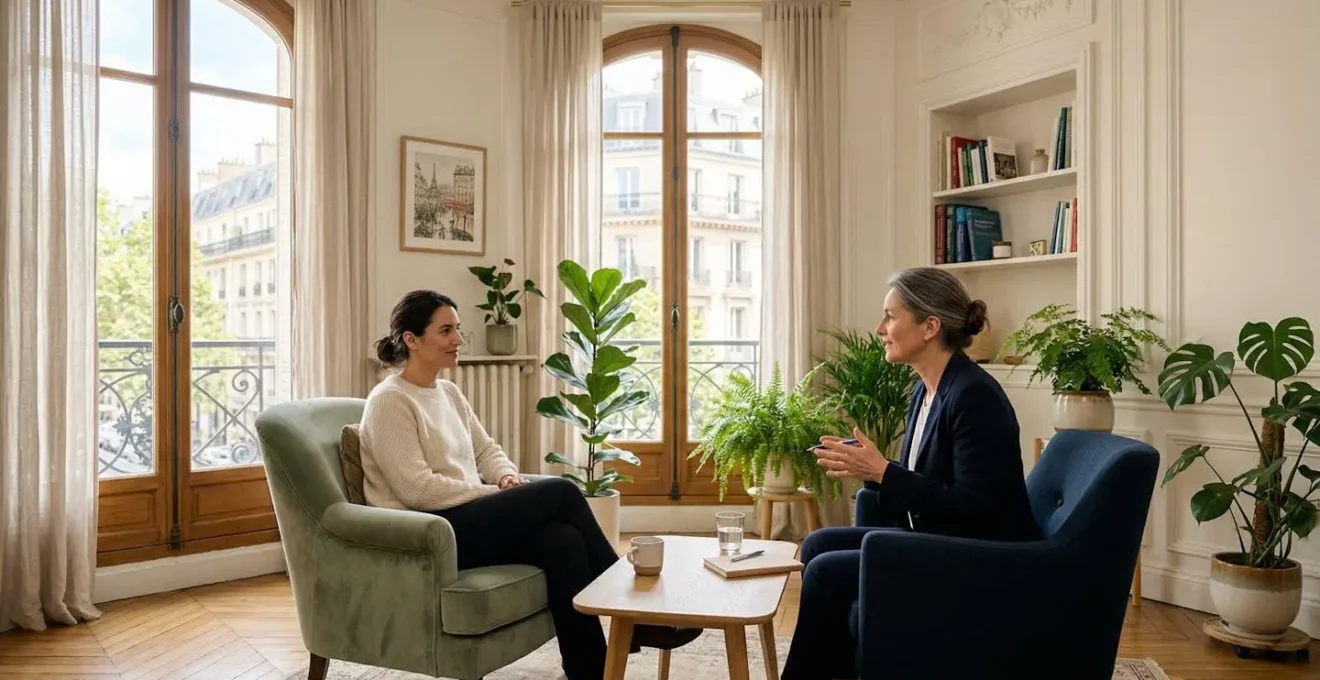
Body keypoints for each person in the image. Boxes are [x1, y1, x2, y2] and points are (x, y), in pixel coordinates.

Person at [358, 290, 701, 680]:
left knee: (562, 542)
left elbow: (486, 450)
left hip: (465, 518)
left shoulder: (448, 392)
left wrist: (504, 476)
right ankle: (633, 608)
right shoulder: (389, 400)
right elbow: (416, 491)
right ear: (411, 340)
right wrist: (497, 493)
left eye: (458, 329)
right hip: (430, 533)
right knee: (562, 492)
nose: (458, 340)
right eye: (446, 331)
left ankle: (589, 671)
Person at [779, 268, 1041, 680]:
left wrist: (883, 471)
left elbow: (975, 508)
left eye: (890, 316)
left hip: (983, 558)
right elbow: (928, 483)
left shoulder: (975, 397)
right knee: (817, 543)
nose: (880, 329)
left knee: (826, 572)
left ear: (930, 327)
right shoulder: (925, 388)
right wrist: (871, 468)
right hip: (940, 539)